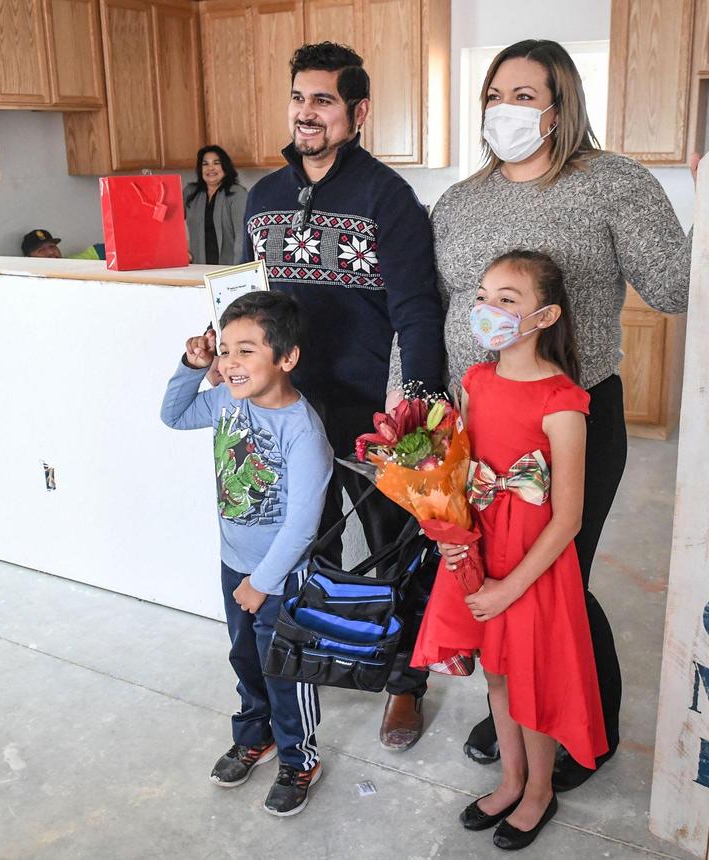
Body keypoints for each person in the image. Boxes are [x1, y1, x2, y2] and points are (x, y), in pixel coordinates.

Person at [430, 38, 709, 791]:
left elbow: (676, 289)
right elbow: (435, 307)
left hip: (567, 421)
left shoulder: (612, 183)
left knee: (556, 582)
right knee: (491, 575)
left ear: (561, 106)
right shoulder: (459, 200)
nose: (504, 109)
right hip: (479, 423)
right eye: (494, 94)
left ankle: (588, 731)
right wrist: (415, 403)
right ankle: (518, 712)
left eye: (524, 95)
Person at [239, 41, 445, 751]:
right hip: (289, 411)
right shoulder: (264, 198)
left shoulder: (389, 200)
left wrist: (417, 411)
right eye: (299, 97)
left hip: (372, 412)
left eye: (322, 100)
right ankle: (326, 651)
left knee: (397, 551)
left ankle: (405, 685)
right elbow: (253, 306)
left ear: (356, 111)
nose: (306, 113)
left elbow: (418, 309)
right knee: (307, 544)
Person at [412, 249, 606, 850]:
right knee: (495, 673)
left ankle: (541, 790)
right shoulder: (474, 380)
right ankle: (511, 776)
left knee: (531, 677)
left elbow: (568, 516)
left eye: (507, 300)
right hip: (483, 548)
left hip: (531, 565)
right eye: (483, 296)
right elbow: (462, 468)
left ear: (544, 316)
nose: (487, 309)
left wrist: (509, 586)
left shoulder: (562, 400)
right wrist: (450, 532)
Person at [161, 291, 333, 817]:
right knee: (245, 659)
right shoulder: (225, 400)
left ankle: (299, 758)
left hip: (280, 578)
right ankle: (252, 736)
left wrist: (263, 583)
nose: (231, 363)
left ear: (286, 358)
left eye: (247, 351)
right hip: (233, 562)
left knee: (284, 671)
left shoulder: (303, 431)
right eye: (226, 350)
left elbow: (302, 526)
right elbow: (174, 415)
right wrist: (192, 367)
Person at [185, 146, 248, 265]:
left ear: (225, 166)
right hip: (197, 267)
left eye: (216, 163)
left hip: (228, 269)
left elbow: (242, 236)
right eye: (205, 164)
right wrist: (180, 251)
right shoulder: (191, 193)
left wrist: (238, 270)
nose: (210, 168)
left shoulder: (237, 194)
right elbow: (170, 224)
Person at [20, 228, 105, 260]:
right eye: (41, 250)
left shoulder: (71, 262)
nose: (51, 252)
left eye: (52, 246)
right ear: (29, 259)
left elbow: (98, 251)